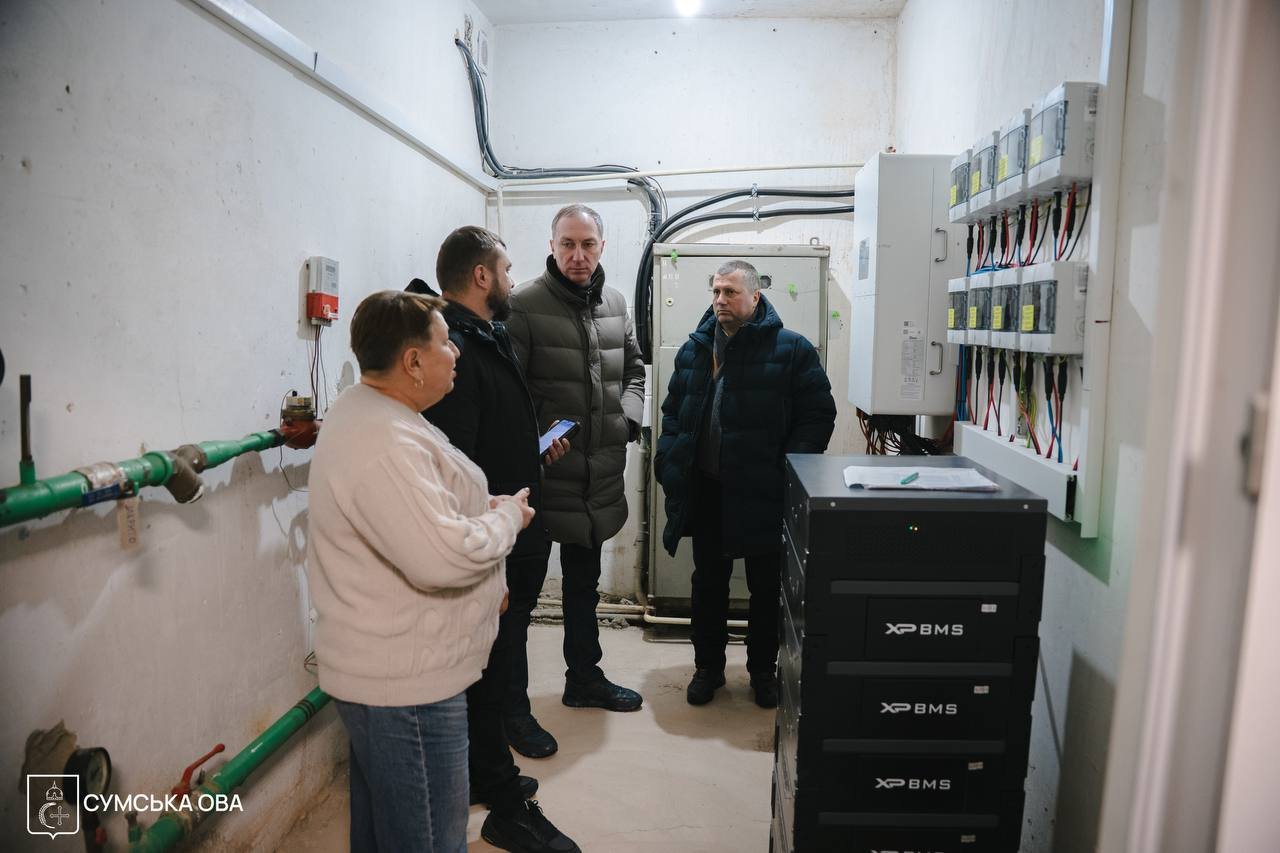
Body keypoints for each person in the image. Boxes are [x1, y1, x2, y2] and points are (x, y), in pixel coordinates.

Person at [306, 290, 534, 853]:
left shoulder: (383, 414)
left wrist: (480, 511)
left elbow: (423, 513)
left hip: (400, 673)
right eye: (445, 343)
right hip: (406, 688)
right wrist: (506, 519)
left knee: (385, 835)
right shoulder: (383, 439)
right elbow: (442, 557)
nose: (456, 353)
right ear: (412, 361)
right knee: (427, 839)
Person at [419, 227, 579, 853]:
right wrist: (487, 561)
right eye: (507, 269)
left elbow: (489, 437)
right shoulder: (456, 347)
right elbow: (457, 462)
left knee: (498, 661)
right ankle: (501, 800)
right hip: (493, 540)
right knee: (485, 669)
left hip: (510, 525)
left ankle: (484, 777)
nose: (513, 279)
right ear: (482, 276)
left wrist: (533, 451)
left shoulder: (485, 336)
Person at [654, 260, 836, 708]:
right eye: (716, 291)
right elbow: (673, 413)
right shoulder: (695, 349)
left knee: (766, 589)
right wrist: (669, 459)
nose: (720, 300)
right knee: (708, 585)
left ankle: (762, 673)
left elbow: (818, 415)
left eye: (730, 292)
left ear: (755, 297)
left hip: (763, 492)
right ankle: (708, 669)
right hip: (709, 489)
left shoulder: (791, 349)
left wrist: (786, 472)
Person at [504, 203, 646, 743]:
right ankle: (512, 710)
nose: (578, 255)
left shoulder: (615, 302)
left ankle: (584, 679)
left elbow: (634, 371)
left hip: (598, 474)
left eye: (587, 244)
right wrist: (540, 436)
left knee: (583, 585)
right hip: (544, 477)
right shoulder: (523, 305)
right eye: (568, 244)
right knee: (521, 599)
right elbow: (510, 390)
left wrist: (627, 418)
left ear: (602, 247)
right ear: (552, 246)